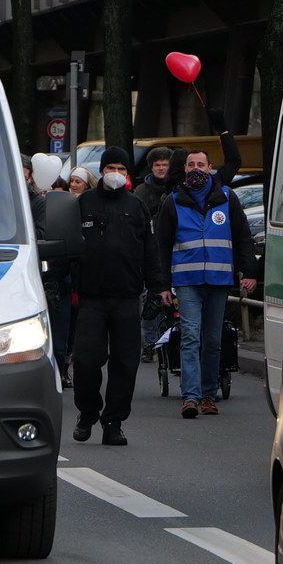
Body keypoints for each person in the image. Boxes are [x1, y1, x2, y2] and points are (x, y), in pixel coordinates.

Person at [158, 147, 258, 417]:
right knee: (190, 336)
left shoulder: (227, 198)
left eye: (201, 164)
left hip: (218, 279)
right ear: (185, 169)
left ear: (210, 167)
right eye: (191, 164)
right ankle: (190, 397)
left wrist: (249, 272)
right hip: (187, 280)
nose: (196, 169)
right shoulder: (174, 200)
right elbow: (162, 246)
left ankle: (207, 394)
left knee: (212, 339)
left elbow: (243, 237)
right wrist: (163, 285)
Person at [69, 145, 158, 445]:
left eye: (122, 169)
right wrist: (57, 282)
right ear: (101, 171)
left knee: (125, 362)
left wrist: (157, 289)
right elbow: (68, 248)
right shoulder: (84, 204)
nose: (116, 174)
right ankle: (87, 413)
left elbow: (149, 251)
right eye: (111, 169)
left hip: (126, 298)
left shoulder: (137, 207)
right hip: (92, 298)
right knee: (85, 361)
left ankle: (114, 421)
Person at [31, 153, 81, 367]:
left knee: (61, 333)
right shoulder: (34, 205)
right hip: (36, 277)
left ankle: (61, 367)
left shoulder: (68, 216)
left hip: (60, 280)